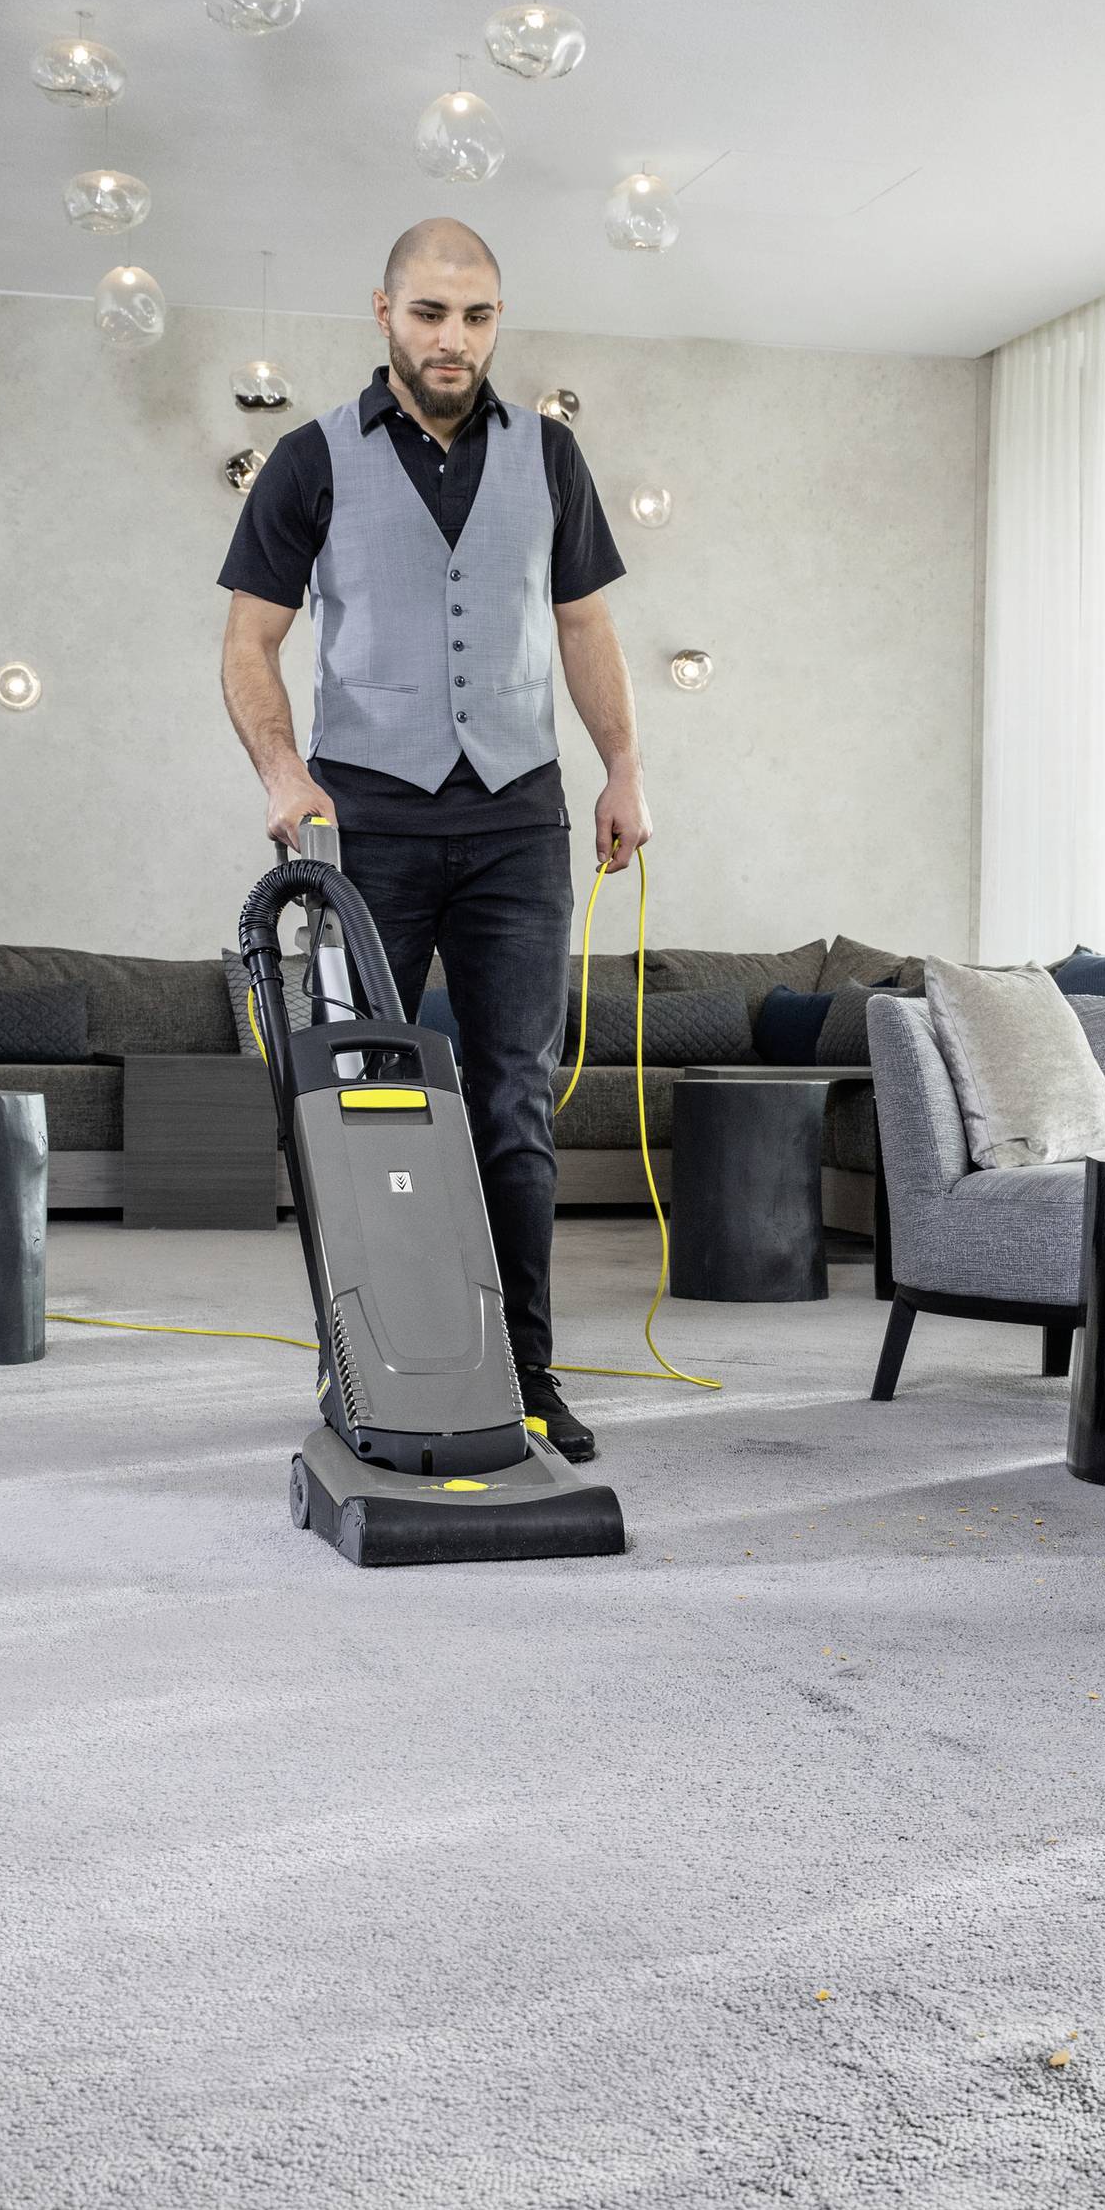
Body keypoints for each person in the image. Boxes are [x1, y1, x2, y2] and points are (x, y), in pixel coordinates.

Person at [219, 217, 650, 1463]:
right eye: (427, 314)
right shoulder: (309, 459)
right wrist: (280, 768)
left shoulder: (549, 457)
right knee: (357, 1099)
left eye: (473, 316)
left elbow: (580, 624)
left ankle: (525, 1377)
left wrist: (621, 765)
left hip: (520, 817)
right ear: (382, 312)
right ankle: (358, 1363)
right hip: (374, 821)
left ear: (495, 322)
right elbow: (250, 640)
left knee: (512, 1102)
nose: (450, 338)